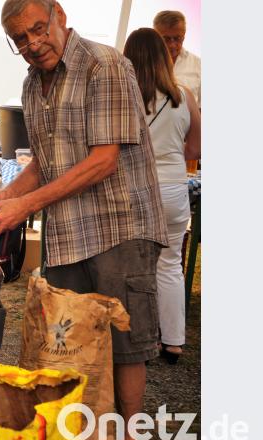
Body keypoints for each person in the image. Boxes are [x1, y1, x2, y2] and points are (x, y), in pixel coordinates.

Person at [0, 1, 168, 440]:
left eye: (38, 29)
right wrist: (7, 195)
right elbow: (45, 160)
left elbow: (102, 161)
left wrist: (26, 207)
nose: (33, 43)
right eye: (20, 38)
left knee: (126, 340)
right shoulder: (31, 84)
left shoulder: (105, 66)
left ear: (59, 16)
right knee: (72, 339)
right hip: (70, 235)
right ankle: (83, 436)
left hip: (120, 225)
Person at [124, 28, 201, 365]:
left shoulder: (124, 96)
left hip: (137, 188)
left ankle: (137, 339)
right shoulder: (184, 95)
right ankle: (173, 341)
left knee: (132, 267)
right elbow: (196, 147)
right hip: (173, 188)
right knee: (170, 264)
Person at [153, 10, 200, 107]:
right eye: (166, 39)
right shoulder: (143, 63)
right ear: (155, 36)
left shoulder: (198, 65)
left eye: (177, 38)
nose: (172, 45)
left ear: (184, 36)